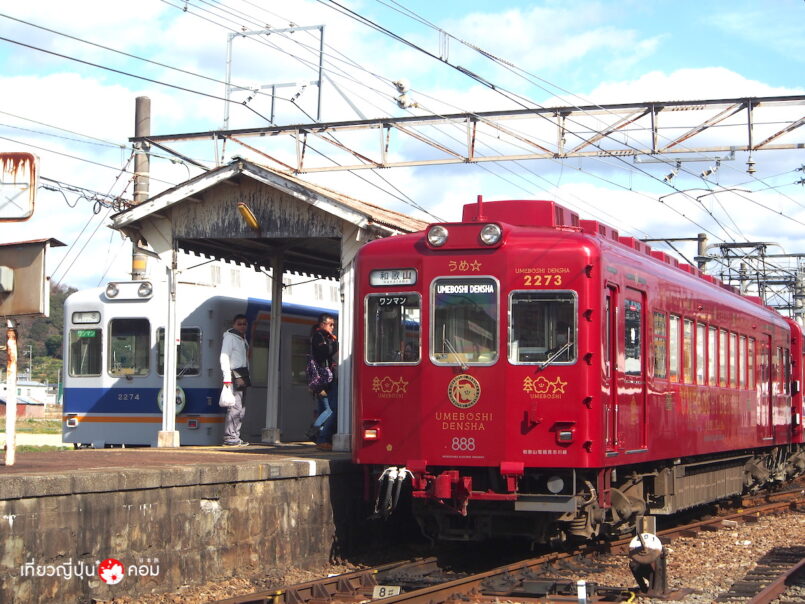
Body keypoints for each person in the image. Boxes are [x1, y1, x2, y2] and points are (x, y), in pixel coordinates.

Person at [306, 313, 338, 451]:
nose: (332, 328)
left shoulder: (323, 337)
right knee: (331, 410)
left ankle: (320, 437)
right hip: (323, 380)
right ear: (322, 324)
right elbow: (326, 351)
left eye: (333, 325)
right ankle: (317, 434)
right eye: (330, 324)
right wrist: (335, 344)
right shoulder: (319, 336)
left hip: (322, 379)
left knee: (324, 409)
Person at [220, 314, 250, 446]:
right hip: (234, 374)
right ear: (233, 324)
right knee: (235, 406)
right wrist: (227, 378)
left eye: (244, 324)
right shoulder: (230, 337)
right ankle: (230, 437)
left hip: (243, 374)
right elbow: (224, 356)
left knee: (241, 408)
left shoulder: (242, 338)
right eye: (239, 324)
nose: (242, 326)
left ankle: (235, 435)